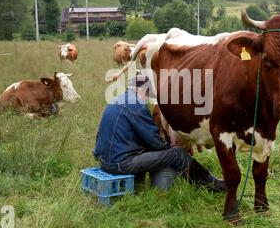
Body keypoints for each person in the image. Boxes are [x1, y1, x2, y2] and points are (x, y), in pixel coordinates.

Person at [93, 75, 225, 192]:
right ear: (143, 90)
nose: (147, 100)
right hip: (120, 163)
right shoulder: (137, 105)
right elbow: (154, 141)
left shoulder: (115, 101)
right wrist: (169, 149)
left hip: (104, 161)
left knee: (159, 153)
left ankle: (141, 185)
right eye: (148, 95)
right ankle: (211, 184)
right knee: (177, 154)